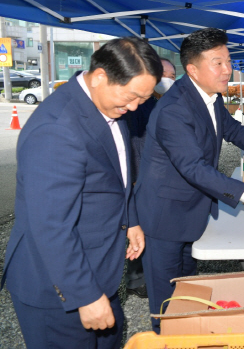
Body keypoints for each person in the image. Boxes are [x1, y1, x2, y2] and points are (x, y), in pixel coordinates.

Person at [1, 37, 162, 349]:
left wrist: (131, 220)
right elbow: (50, 225)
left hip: (99, 268)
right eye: (131, 97)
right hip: (57, 287)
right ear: (100, 76)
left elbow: (116, 177)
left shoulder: (107, 105)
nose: (133, 107)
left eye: (142, 100)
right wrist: (84, 295)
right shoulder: (57, 130)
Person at [134, 28, 244, 333]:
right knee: (166, 300)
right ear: (192, 69)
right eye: (217, 63)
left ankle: (188, 334)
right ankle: (168, 337)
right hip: (163, 215)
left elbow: (230, 127)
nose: (228, 70)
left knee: (188, 286)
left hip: (191, 210)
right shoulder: (174, 109)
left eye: (228, 61)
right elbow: (193, 167)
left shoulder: (208, 96)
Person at [123, 57, 177, 299]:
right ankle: (136, 279)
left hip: (156, 179)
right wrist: (135, 178)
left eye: (173, 77)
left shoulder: (163, 102)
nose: (169, 81)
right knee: (138, 226)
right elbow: (133, 142)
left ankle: (146, 275)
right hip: (140, 178)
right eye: (165, 75)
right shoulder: (140, 105)